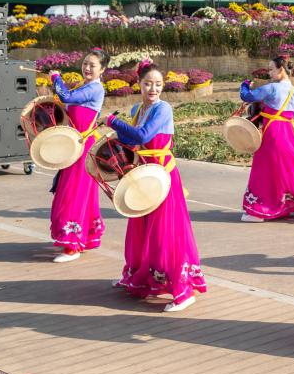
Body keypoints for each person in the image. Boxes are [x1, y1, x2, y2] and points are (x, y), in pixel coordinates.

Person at [108, 60, 206, 312]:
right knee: (142, 227)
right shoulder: (137, 109)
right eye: (148, 83)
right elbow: (132, 139)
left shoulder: (163, 109)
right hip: (144, 174)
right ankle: (141, 277)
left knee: (166, 232)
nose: (154, 89)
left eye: (158, 84)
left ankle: (182, 292)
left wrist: (113, 122)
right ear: (138, 84)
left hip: (162, 175)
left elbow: (142, 136)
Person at [238, 56, 294, 222]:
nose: (269, 73)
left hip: (273, 133)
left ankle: (259, 211)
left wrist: (245, 83)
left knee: (264, 170)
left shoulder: (271, 88)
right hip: (290, 133)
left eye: (271, 69)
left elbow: (247, 96)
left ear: (281, 70)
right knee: (292, 169)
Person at [46, 49, 108, 263]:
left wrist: (56, 78)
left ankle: (72, 245)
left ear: (102, 70)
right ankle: (81, 239)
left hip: (82, 147)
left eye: (92, 65)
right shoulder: (85, 86)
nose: (87, 67)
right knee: (77, 191)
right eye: (85, 63)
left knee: (74, 192)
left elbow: (67, 97)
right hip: (74, 145)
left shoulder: (95, 88)